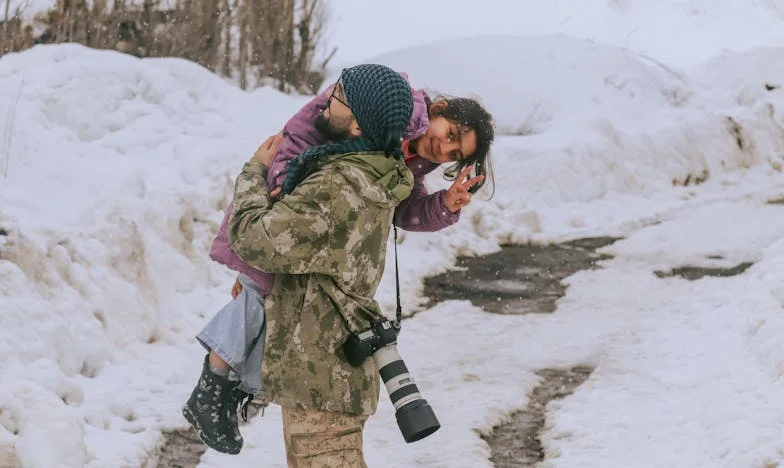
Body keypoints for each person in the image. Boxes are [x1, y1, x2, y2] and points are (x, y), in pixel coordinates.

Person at [183, 66, 495, 454]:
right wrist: (286, 189)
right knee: (253, 296)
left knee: (270, 305)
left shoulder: (407, 155)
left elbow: (401, 209)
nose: (443, 148)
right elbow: (299, 135)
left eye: (454, 153)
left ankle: (230, 391)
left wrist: (444, 204)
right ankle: (213, 388)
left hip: (310, 228)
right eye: (449, 134)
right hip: (289, 203)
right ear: (440, 108)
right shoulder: (384, 106)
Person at [230, 63, 417, 466]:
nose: (328, 100)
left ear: (357, 126)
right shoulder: (377, 175)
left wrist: (254, 172)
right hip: (327, 378)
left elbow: (252, 238)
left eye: (340, 97)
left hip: (322, 385)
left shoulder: (338, 187)